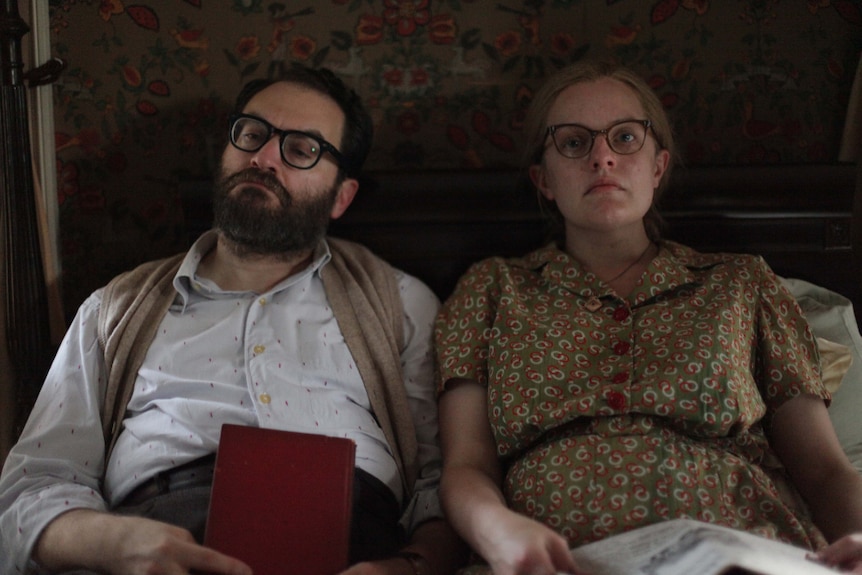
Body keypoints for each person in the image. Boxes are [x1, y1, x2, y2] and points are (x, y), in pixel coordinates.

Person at [0, 65, 464, 575]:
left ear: (341, 197)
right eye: (252, 134)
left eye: (302, 149)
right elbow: (29, 490)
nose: (264, 158)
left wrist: (412, 567)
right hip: (157, 543)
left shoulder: (400, 303)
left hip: (354, 545)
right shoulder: (113, 309)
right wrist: (110, 541)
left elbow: (442, 483)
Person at [434, 59, 862, 575]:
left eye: (625, 138)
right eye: (573, 142)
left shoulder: (741, 282)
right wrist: (498, 531)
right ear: (543, 179)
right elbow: (466, 465)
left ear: (658, 166)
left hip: (741, 544)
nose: (602, 158)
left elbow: (823, 467)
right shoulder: (492, 288)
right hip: (551, 560)